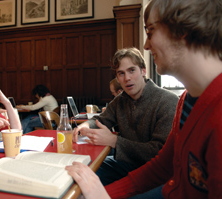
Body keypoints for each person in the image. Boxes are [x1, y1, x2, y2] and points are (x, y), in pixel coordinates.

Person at [66, 0, 222, 198]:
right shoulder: (186, 99)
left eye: (150, 32)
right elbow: (162, 167)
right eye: (121, 73)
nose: (146, 45)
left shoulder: (206, 110)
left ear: (183, 30)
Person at [72, 47, 179, 186]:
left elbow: (159, 152)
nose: (127, 78)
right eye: (121, 73)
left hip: (157, 175)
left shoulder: (168, 101)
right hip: (126, 165)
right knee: (77, 174)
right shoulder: (120, 100)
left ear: (143, 71)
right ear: (117, 78)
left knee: (87, 181)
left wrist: (114, 141)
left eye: (132, 70)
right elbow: (101, 119)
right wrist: (85, 125)